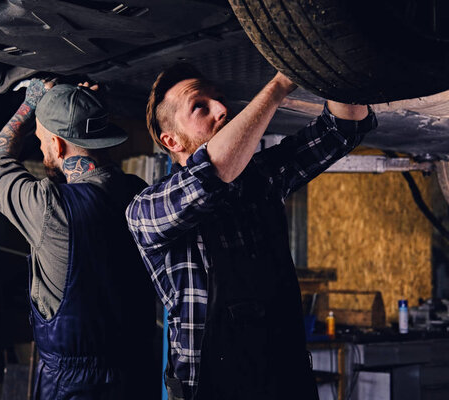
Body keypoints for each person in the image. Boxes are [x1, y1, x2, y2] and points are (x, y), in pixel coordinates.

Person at [126, 64, 378, 400]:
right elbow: (213, 173)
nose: (222, 108)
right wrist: (280, 82)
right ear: (171, 140)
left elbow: (343, 129)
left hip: (286, 382)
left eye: (220, 99)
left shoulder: (262, 178)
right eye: (200, 107)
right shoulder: (147, 210)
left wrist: (329, 61)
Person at [0, 80, 157, 400]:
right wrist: (80, 108)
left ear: (59, 146)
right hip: (139, 370)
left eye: (42, 141)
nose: (42, 148)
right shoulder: (137, 191)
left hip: (75, 385)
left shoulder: (50, 207)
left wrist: (29, 104)